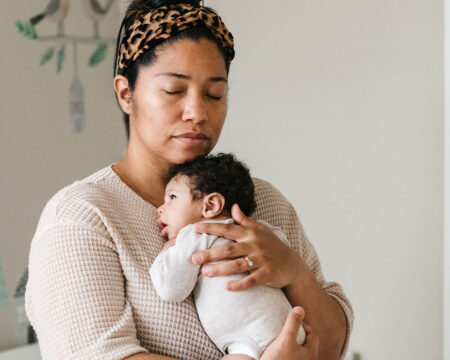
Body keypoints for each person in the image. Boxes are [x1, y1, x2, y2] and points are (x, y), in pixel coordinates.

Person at [25, 1, 353, 359]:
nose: (197, 112)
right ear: (125, 93)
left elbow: (332, 347)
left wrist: (294, 272)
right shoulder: (82, 218)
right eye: (174, 91)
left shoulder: (264, 201)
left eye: (215, 94)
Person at [150, 153, 307, 360]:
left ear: (210, 205)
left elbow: (171, 289)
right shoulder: (262, 232)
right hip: (292, 331)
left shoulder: (195, 234)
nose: (161, 208)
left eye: (172, 197)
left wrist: (169, 248)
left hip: (249, 342)